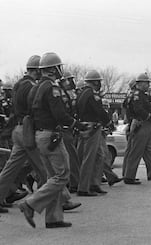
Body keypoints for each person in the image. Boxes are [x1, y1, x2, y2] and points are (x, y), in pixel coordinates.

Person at [19, 52, 85, 228]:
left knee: (52, 177)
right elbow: (59, 114)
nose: (60, 70)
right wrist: (75, 124)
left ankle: (54, 218)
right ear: (52, 69)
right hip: (51, 135)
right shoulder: (51, 88)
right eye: (58, 67)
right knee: (62, 176)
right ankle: (30, 204)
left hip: (40, 135)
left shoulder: (35, 87)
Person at [0, 55, 47, 214]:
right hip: (28, 129)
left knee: (11, 168)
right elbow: (34, 108)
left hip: (18, 129)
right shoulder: (30, 86)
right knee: (44, 166)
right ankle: (60, 199)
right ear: (37, 71)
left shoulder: (19, 84)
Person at [76, 69, 113, 196]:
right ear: (95, 82)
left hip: (84, 126)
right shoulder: (92, 95)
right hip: (93, 127)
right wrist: (108, 122)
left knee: (99, 156)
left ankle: (94, 183)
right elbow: (99, 111)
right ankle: (84, 187)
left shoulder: (81, 94)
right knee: (89, 158)